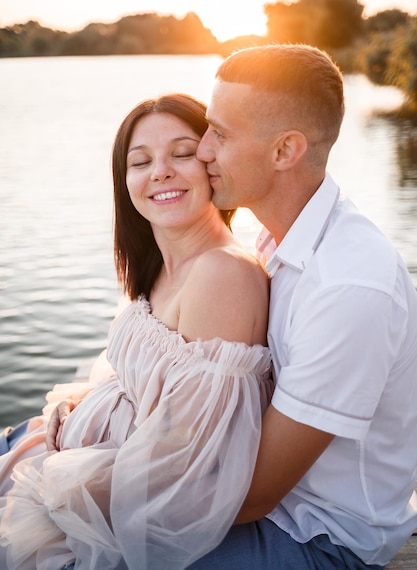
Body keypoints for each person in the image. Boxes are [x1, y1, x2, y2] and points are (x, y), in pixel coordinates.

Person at [0, 93, 273, 569]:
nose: (160, 171)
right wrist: (81, 403)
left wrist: (58, 473)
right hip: (66, 452)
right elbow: (144, 386)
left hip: (104, 497)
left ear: (213, 162)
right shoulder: (161, 265)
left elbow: (187, 460)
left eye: (182, 153)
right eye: (140, 161)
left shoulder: (222, 274)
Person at [192, 44, 417, 569]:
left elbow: (254, 496)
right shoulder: (280, 240)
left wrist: (99, 495)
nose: (202, 150)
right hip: (272, 510)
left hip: (320, 538)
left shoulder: (348, 284)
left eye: (220, 134)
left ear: (284, 150)